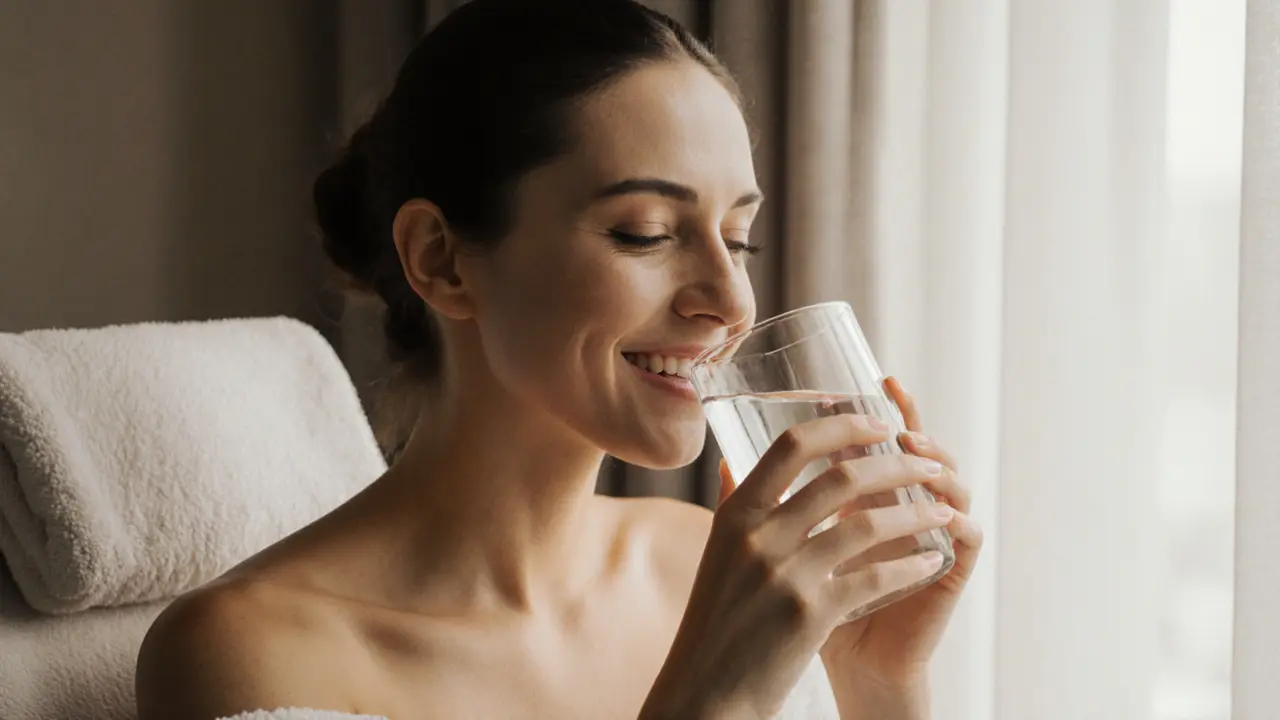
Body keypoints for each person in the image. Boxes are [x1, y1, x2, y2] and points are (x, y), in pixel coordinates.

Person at [134, 1, 983, 718]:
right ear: (441, 259)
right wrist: (708, 699)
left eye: (738, 239)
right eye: (644, 233)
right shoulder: (249, 651)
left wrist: (879, 685)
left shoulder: (716, 568)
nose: (728, 302)